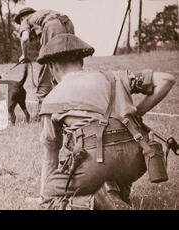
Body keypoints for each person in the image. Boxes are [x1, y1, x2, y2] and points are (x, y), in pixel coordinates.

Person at [36, 33, 176, 209]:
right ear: (81, 61)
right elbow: (167, 80)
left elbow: (51, 156)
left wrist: (44, 196)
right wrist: (136, 113)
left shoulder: (51, 99)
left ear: (52, 66)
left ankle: (96, 201)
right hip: (137, 160)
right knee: (112, 168)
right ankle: (117, 193)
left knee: (49, 198)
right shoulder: (114, 76)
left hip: (96, 163)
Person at [14, 7, 75, 121]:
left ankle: (42, 115)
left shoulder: (26, 20)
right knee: (66, 66)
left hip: (53, 26)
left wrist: (24, 55)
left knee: (47, 66)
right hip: (68, 23)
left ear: (23, 17)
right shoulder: (42, 15)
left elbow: (25, 39)